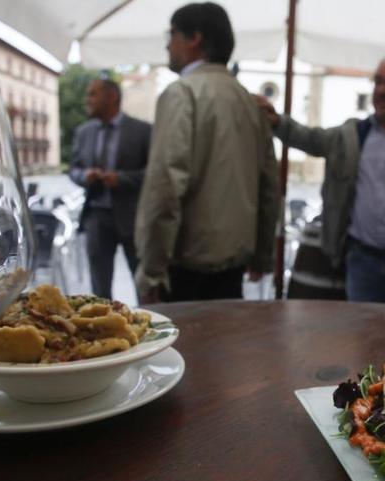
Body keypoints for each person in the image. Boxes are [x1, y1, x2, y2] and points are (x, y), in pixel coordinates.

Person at [256, 55, 385, 306]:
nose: (382, 90)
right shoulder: (354, 135)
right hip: (362, 263)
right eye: (377, 82)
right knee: (364, 341)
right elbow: (311, 139)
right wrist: (278, 122)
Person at [134, 2, 280, 303]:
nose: (167, 44)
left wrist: (151, 270)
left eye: (172, 34)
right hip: (234, 264)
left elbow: (165, 187)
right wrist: (262, 254)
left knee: (184, 350)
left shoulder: (182, 93)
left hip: (184, 268)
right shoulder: (250, 102)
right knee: (224, 348)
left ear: (194, 39)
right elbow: (269, 185)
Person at [68, 79, 152, 300]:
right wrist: (85, 176)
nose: (87, 99)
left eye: (92, 94)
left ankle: (150, 325)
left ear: (112, 97)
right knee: (100, 288)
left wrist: (121, 179)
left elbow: (154, 173)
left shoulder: (142, 131)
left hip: (133, 218)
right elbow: (73, 169)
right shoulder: (84, 132)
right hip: (96, 217)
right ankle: (105, 327)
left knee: (142, 283)